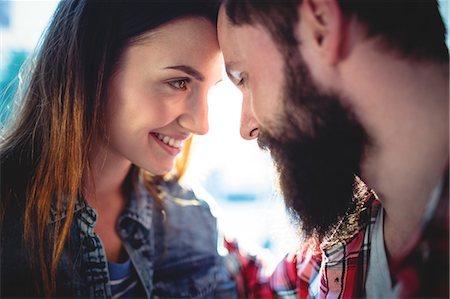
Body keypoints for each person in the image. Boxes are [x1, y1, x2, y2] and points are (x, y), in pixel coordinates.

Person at [0, 0, 237, 297]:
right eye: (178, 82)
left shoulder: (192, 218)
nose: (201, 124)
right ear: (94, 66)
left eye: (209, 89)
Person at [217, 0, 449, 297]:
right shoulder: (348, 235)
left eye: (243, 78)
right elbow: (258, 288)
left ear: (320, 23)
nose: (246, 128)